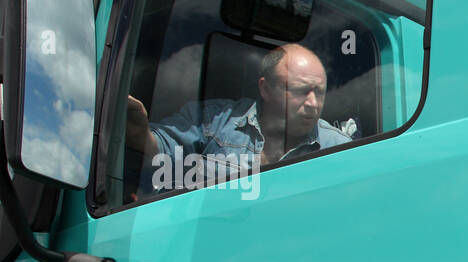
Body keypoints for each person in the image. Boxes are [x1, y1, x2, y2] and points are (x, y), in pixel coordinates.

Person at [125, 43, 351, 191]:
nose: (313, 104)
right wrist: (138, 132)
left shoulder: (341, 149)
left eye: (319, 92)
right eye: (301, 91)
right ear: (266, 89)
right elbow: (163, 150)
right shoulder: (214, 121)